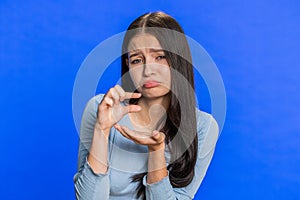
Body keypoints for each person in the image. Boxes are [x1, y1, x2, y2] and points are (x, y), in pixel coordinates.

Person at [73, 11, 219, 200]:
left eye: (160, 57)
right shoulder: (100, 109)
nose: (148, 70)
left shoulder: (203, 127)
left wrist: (156, 152)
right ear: (128, 66)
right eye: (137, 60)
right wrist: (102, 130)